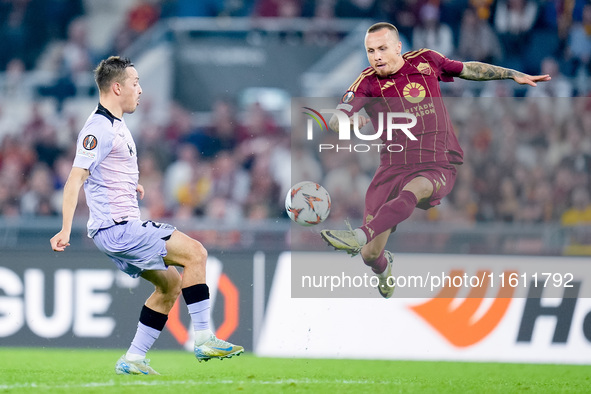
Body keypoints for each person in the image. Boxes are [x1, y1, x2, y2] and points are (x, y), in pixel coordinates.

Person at [320, 22, 550, 298]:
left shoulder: (425, 60)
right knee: (370, 256)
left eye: (382, 48)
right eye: (370, 51)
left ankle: (358, 235)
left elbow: (468, 69)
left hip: (437, 163)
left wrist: (511, 74)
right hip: (392, 167)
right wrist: (349, 121)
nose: (376, 56)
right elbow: (336, 119)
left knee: (413, 191)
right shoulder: (367, 82)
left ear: (398, 47)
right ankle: (383, 266)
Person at [50, 56, 243, 375]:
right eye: (135, 83)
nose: (140, 90)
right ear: (116, 87)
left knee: (169, 286)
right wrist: (65, 229)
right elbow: (76, 178)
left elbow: (106, 171)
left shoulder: (116, 125)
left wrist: (130, 185)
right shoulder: (98, 128)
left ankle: (133, 359)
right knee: (196, 253)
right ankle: (205, 338)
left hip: (117, 229)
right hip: (119, 229)